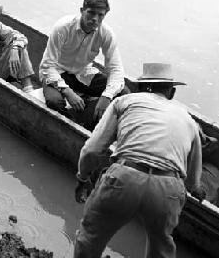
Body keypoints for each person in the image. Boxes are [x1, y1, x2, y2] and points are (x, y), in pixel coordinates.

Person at [73, 62, 205, 258]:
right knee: (161, 248)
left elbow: (92, 150)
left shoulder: (124, 102)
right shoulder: (188, 120)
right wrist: (196, 190)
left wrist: (82, 178)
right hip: (168, 188)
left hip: (126, 177)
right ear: (172, 93)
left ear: (141, 87)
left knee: (90, 237)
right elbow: (194, 182)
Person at [39, 0, 125, 129]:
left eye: (100, 15)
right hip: (56, 73)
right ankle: (74, 127)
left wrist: (107, 96)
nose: (95, 19)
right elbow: (47, 66)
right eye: (91, 13)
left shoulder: (106, 34)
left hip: (82, 73)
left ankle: (97, 129)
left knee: (123, 94)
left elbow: (116, 70)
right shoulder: (63, 27)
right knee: (54, 102)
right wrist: (67, 92)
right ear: (82, 11)